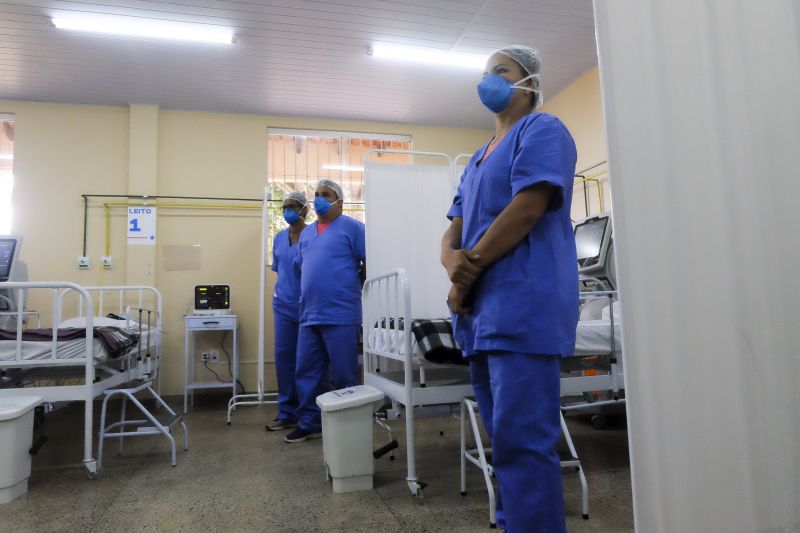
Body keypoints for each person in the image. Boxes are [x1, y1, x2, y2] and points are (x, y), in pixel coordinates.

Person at [440, 45, 578, 533]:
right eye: (485, 73)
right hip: (482, 315)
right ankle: (512, 521)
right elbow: (453, 228)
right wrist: (454, 262)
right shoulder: (478, 157)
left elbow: (527, 208)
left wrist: (466, 273)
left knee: (523, 439)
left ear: (530, 83)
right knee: (501, 438)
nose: (488, 81)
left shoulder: (543, 131)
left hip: (523, 305)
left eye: (502, 72)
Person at [284, 179, 366, 443]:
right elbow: (300, 266)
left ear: (339, 201)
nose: (318, 198)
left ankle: (346, 424)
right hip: (309, 314)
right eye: (316, 194)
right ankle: (310, 422)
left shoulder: (353, 228)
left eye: (325, 194)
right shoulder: (307, 234)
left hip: (341, 313)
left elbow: (371, 261)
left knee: (343, 373)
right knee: (307, 371)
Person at [266, 192, 309, 432]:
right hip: (283, 305)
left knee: (307, 362)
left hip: (307, 305)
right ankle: (287, 412)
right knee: (284, 360)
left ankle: (308, 412)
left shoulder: (313, 235)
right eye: (284, 207)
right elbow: (279, 269)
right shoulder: (279, 238)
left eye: (292, 207)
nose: (287, 211)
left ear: (304, 210)